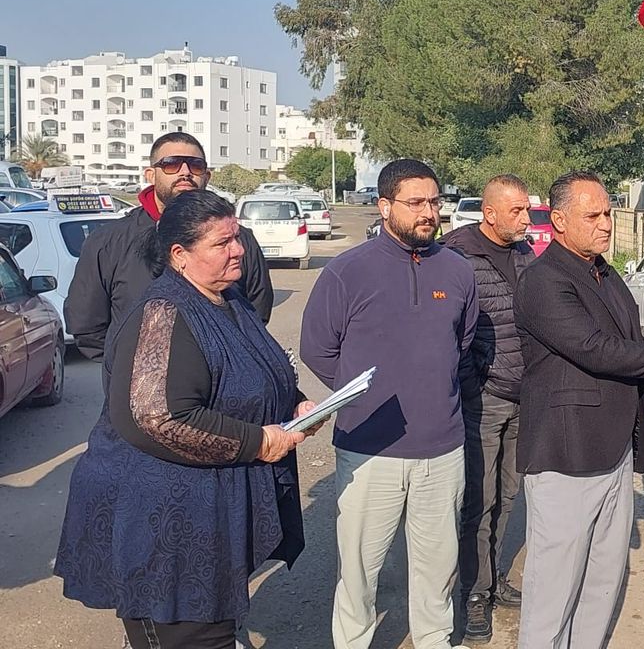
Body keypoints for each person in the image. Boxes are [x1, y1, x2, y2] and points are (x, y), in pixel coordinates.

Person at [55, 190, 315, 648]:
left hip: (207, 515)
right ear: (179, 255)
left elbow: (252, 370)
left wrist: (293, 403)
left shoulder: (229, 299)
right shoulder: (163, 314)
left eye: (237, 237)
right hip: (163, 525)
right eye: (222, 243)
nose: (238, 250)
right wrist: (258, 441)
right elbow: (157, 418)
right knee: (190, 635)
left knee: (214, 627)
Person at [514, 171, 644, 649]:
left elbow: (628, 341)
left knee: (601, 583)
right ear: (559, 220)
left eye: (608, 213)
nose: (606, 223)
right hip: (566, 453)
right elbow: (595, 349)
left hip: (614, 451)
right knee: (554, 593)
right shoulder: (543, 280)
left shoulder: (605, 273)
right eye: (593, 215)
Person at [301, 159, 477, 649]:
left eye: (434, 201)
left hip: (442, 448)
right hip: (368, 448)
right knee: (359, 570)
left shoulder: (458, 271)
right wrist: (367, 396)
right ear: (384, 206)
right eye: (415, 202)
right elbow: (317, 348)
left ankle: (434, 639)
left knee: (438, 566)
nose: (429, 212)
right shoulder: (346, 272)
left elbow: (461, 344)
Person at [66, 132, 273, 361]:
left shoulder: (239, 240)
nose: (185, 172)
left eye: (195, 165)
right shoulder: (109, 241)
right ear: (151, 175)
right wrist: (132, 365)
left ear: (207, 176)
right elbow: (86, 324)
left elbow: (256, 313)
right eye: (171, 164)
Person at [441, 174, 534, 642]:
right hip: (484, 398)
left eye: (527, 209)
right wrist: (472, 381)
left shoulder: (524, 252)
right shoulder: (457, 256)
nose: (526, 218)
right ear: (490, 213)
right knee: (479, 500)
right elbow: (447, 330)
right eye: (517, 210)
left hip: (523, 396)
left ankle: (494, 579)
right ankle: (474, 593)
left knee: (509, 493)